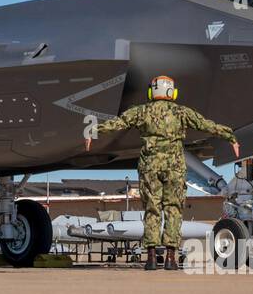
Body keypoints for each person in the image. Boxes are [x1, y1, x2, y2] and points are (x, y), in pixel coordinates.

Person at [86, 75, 239, 270]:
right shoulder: (181, 112)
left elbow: (119, 123)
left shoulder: (142, 111)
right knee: (173, 209)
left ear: (152, 92)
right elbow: (206, 125)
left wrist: (93, 131)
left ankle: (151, 258)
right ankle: (170, 258)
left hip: (149, 167)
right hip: (174, 168)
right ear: (172, 93)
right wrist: (230, 136)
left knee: (152, 210)